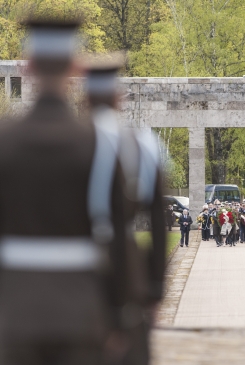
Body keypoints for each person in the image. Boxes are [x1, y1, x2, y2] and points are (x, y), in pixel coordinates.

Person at [0, 19, 134, 365]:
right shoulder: (99, 144)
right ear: (76, 66)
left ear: (27, 67)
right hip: (81, 310)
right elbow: (120, 236)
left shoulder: (5, 142)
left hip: (14, 310)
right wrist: (120, 317)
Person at [85, 54, 167, 365]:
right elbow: (160, 220)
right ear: (118, 98)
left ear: (84, 98)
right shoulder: (139, 145)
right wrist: (155, 288)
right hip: (124, 273)